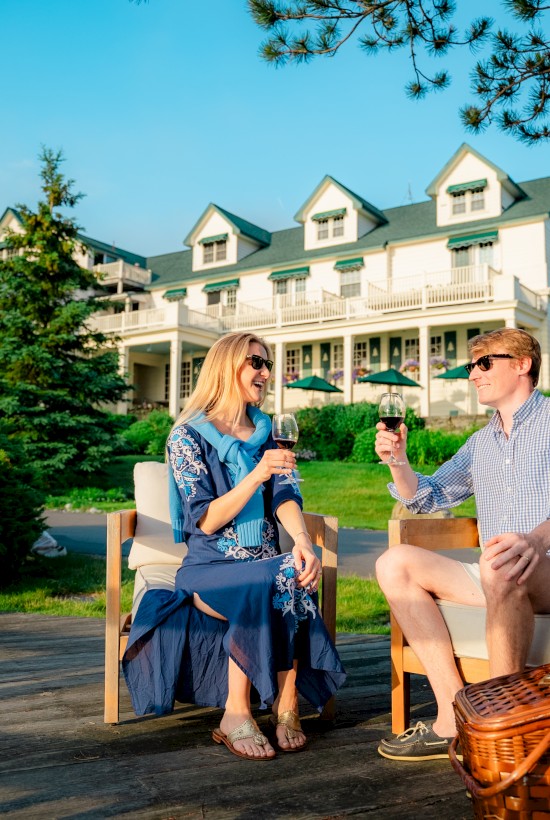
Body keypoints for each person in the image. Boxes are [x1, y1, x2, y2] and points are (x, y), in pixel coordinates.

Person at [123, 331, 346, 761]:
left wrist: (302, 540)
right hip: (209, 569)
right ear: (227, 367)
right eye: (255, 363)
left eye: (267, 364)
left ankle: (283, 706)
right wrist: (256, 474)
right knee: (278, 576)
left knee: (288, 569)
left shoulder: (269, 431)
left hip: (264, 563)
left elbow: (285, 497)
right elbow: (205, 519)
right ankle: (239, 711)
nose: (265, 372)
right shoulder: (187, 437)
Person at [374, 327, 550, 762]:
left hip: (545, 567)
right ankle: (454, 718)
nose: (474, 374)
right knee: (394, 563)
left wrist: (534, 538)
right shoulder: (480, 444)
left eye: (485, 363)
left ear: (523, 364)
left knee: (501, 562)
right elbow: (426, 496)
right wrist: (398, 461)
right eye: (472, 366)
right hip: (496, 572)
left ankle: (501, 727)